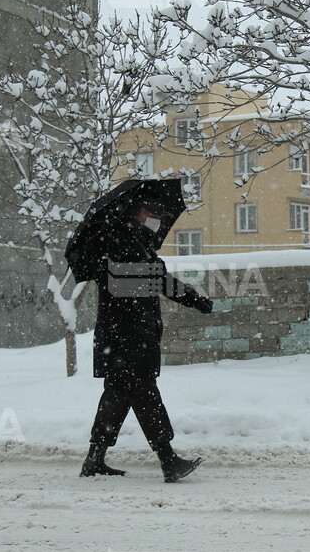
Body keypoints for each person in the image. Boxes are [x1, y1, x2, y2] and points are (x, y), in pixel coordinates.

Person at [81, 200, 214, 483]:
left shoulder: (134, 242)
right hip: (128, 338)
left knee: (117, 397)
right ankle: (168, 459)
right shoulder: (121, 244)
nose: (156, 217)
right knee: (145, 395)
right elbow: (158, 282)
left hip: (127, 337)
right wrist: (195, 299)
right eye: (150, 213)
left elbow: (154, 281)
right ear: (136, 214)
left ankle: (94, 458)